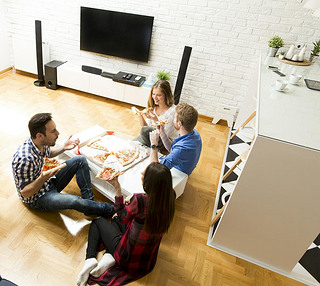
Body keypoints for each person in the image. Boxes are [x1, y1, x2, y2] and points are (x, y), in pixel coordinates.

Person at [77, 162, 175, 286]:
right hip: (146, 260)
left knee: (98, 222)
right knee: (116, 221)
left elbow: (121, 216)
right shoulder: (170, 196)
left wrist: (118, 189)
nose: (141, 173)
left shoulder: (140, 200)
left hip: (127, 258)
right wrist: (132, 200)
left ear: (149, 182)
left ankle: (90, 259)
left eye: (144, 174)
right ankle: (108, 257)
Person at [12, 113, 113, 216]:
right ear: (40, 136)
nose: (58, 133)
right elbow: (24, 193)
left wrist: (64, 147)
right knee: (75, 201)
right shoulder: (24, 159)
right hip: (38, 197)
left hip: (48, 182)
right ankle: (113, 210)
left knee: (80, 159)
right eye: (53, 131)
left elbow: (49, 152)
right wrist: (42, 178)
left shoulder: (39, 142)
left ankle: (90, 204)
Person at [149, 102, 202, 176]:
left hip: (178, 173)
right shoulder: (193, 133)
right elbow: (172, 148)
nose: (173, 119)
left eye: (174, 117)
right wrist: (162, 132)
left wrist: (154, 145)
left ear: (180, 123)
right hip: (181, 165)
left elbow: (155, 171)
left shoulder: (182, 149)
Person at [134, 80, 178, 149]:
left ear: (166, 95)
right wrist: (140, 115)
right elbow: (145, 128)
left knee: (139, 142)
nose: (155, 98)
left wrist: (155, 120)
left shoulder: (172, 112)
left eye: (159, 95)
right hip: (152, 136)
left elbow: (164, 136)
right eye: (153, 94)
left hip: (166, 141)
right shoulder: (154, 107)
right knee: (132, 144)